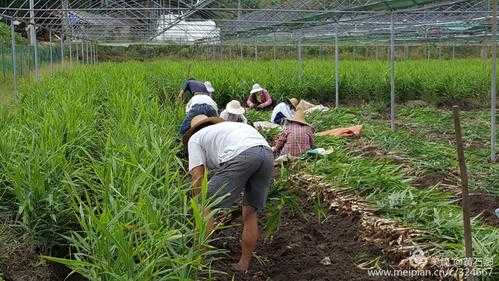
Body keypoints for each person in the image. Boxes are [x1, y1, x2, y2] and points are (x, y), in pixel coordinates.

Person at [184, 115, 273, 272]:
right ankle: (243, 265)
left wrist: (194, 203)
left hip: (242, 154)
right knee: (251, 212)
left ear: (193, 131)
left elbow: (198, 176)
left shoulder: (195, 139)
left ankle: (200, 262)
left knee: (206, 204)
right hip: (266, 153)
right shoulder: (228, 129)